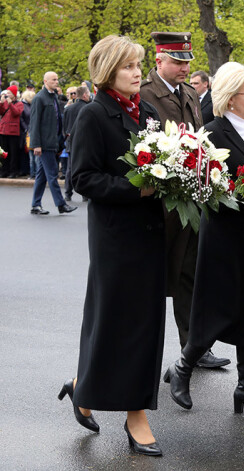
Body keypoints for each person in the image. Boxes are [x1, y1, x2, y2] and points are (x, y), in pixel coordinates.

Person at [62, 34, 165, 456]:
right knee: (117, 322)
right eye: (128, 66)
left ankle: (82, 389)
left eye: (139, 64)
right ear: (107, 71)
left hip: (151, 233)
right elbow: (81, 178)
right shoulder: (93, 114)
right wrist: (136, 189)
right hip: (115, 237)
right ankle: (135, 416)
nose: (137, 72)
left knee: (144, 323)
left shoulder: (150, 112)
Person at [165, 62, 244, 416]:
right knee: (217, 307)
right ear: (230, 98)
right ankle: (183, 368)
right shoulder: (213, 132)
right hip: (223, 233)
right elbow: (207, 186)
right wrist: (242, 189)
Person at [140, 32, 229, 369]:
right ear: (159, 59)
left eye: (187, 61)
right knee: (151, 277)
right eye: (177, 61)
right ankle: (143, 349)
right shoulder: (145, 93)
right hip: (158, 201)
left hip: (189, 199)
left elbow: (199, 138)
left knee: (190, 273)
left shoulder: (190, 92)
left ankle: (194, 347)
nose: (184, 67)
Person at [28, 72, 77, 215]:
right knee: (52, 174)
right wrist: (36, 144)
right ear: (45, 81)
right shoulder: (39, 98)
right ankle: (61, 204)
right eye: (54, 80)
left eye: (57, 79)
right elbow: (34, 123)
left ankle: (35, 205)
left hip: (53, 142)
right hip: (44, 144)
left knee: (42, 176)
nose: (57, 82)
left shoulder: (54, 96)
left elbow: (57, 120)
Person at [62, 85, 90, 201]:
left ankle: (68, 193)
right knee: (85, 168)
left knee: (70, 168)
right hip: (85, 141)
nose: (89, 96)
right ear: (84, 95)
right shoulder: (88, 108)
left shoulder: (68, 109)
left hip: (70, 141)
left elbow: (64, 126)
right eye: (88, 94)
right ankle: (85, 194)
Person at [0, 85, 24, 178]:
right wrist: (1, 103)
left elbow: (16, 113)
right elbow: (1, 112)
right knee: (4, 153)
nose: (7, 95)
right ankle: (4, 171)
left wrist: (10, 104)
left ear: (14, 94)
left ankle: (13, 171)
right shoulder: (5, 102)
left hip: (13, 132)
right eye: (6, 93)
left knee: (13, 153)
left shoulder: (19, 104)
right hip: (3, 131)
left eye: (9, 93)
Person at [19, 90, 36, 178]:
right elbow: (21, 119)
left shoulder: (33, 105)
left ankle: (35, 173)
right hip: (27, 132)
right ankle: (31, 172)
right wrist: (26, 129)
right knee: (30, 156)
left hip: (34, 131)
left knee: (35, 156)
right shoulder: (23, 105)